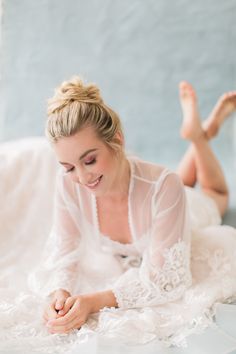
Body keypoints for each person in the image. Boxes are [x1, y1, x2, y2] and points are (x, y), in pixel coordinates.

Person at [37, 77, 236, 342]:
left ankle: (199, 138)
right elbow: (65, 251)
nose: (82, 177)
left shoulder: (165, 186)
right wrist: (60, 293)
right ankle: (199, 135)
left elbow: (166, 280)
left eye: (90, 160)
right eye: (69, 167)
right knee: (177, 182)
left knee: (214, 194)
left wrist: (94, 301)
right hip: (161, 195)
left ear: (117, 139)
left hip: (190, 211)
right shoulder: (68, 184)